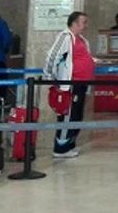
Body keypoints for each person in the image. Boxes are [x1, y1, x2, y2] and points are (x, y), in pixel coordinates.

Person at [44, 11, 95, 159]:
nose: (86, 25)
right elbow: (52, 55)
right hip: (70, 83)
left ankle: (70, 144)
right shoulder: (65, 37)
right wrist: (50, 77)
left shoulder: (83, 40)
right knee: (68, 115)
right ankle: (60, 147)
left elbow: (82, 57)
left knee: (77, 115)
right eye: (84, 22)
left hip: (82, 84)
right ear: (75, 23)